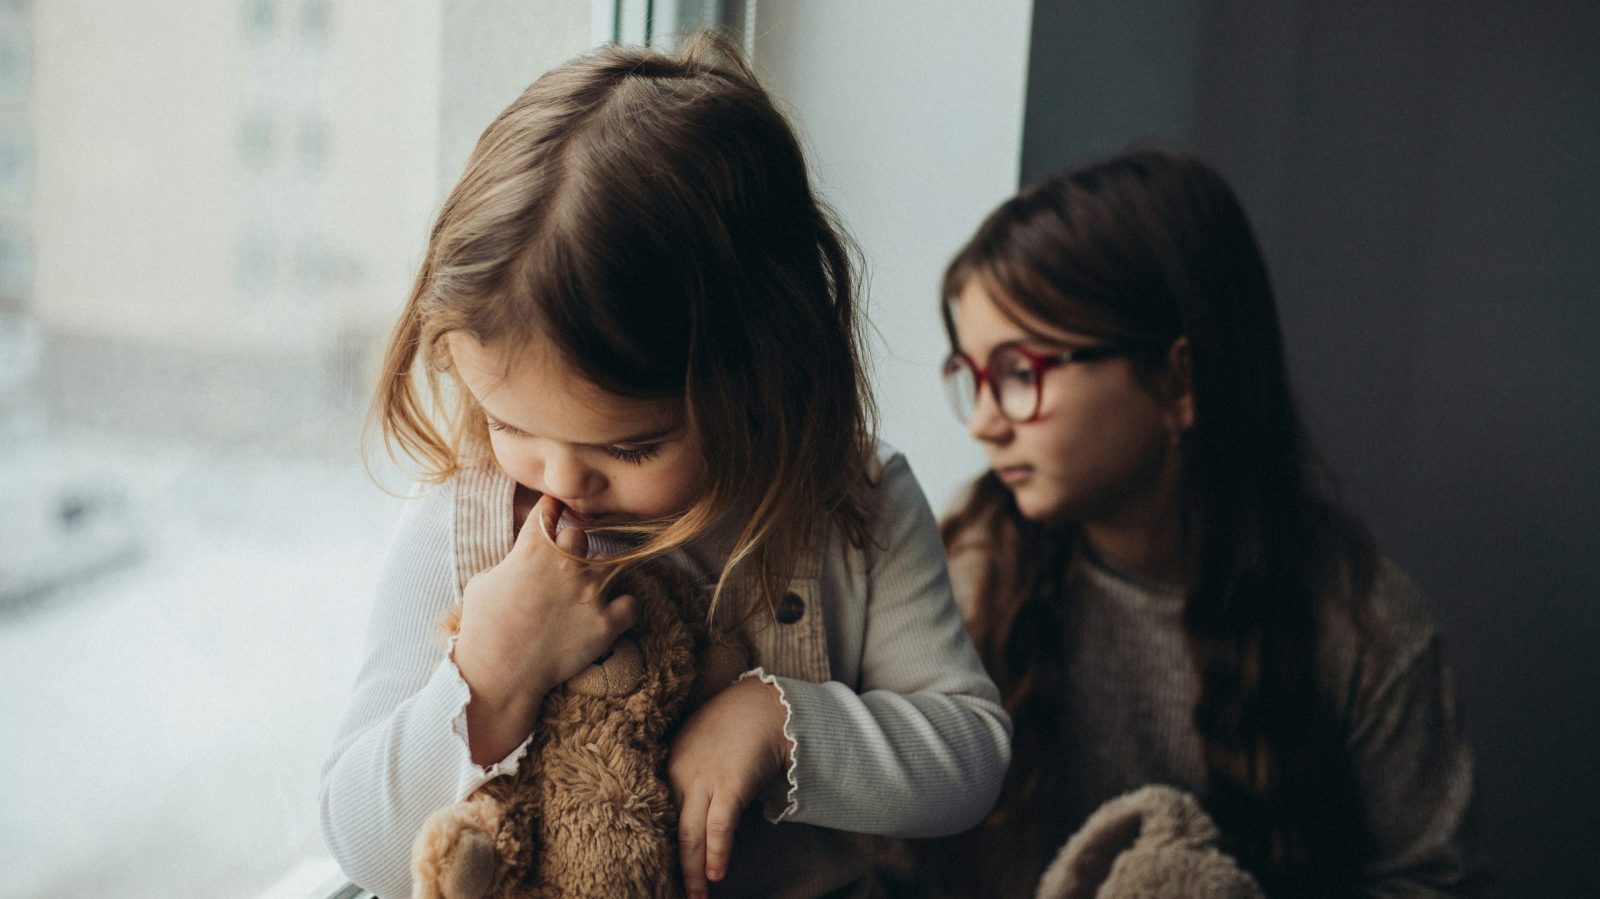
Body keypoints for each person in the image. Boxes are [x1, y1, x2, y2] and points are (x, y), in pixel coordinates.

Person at [318, 34, 1010, 899]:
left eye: (631, 445)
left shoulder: (851, 508)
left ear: (766, 381)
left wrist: (784, 725)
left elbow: (971, 753)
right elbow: (363, 843)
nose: (563, 480)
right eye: (509, 422)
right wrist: (493, 670)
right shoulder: (465, 525)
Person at [914, 149, 1489, 897]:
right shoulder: (966, 567)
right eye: (972, 378)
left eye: (1020, 373)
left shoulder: (1362, 626)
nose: (984, 423)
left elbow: (1430, 883)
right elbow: (890, 861)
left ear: (1177, 380)